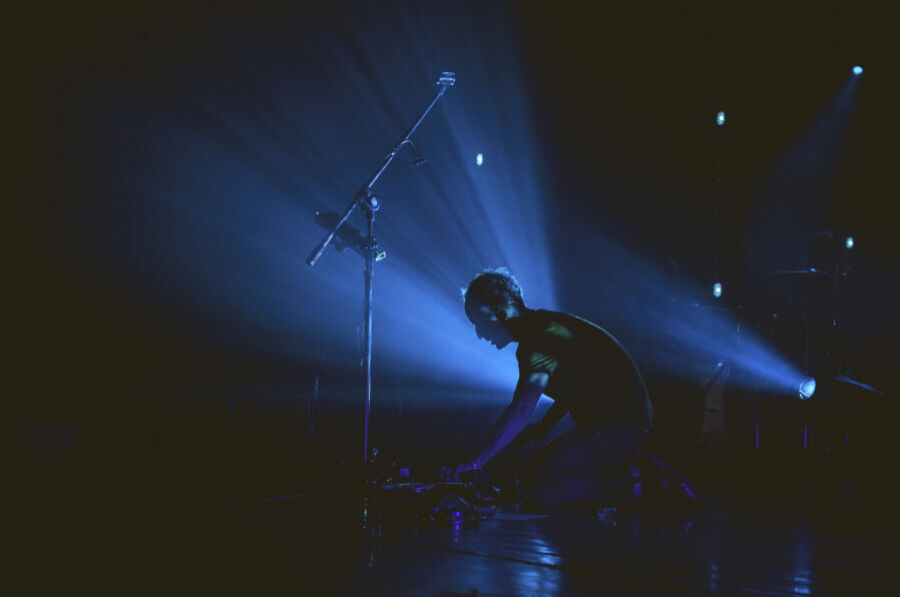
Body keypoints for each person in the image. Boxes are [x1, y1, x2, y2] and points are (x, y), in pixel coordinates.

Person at [440, 268, 655, 507]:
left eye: (478, 323)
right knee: (534, 480)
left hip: (621, 426)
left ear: (500, 312)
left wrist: (476, 461)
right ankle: (627, 473)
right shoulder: (544, 328)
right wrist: (543, 426)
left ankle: (644, 482)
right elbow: (577, 385)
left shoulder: (541, 340)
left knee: (541, 488)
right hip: (623, 423)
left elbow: (522, 408)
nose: (479, 334)